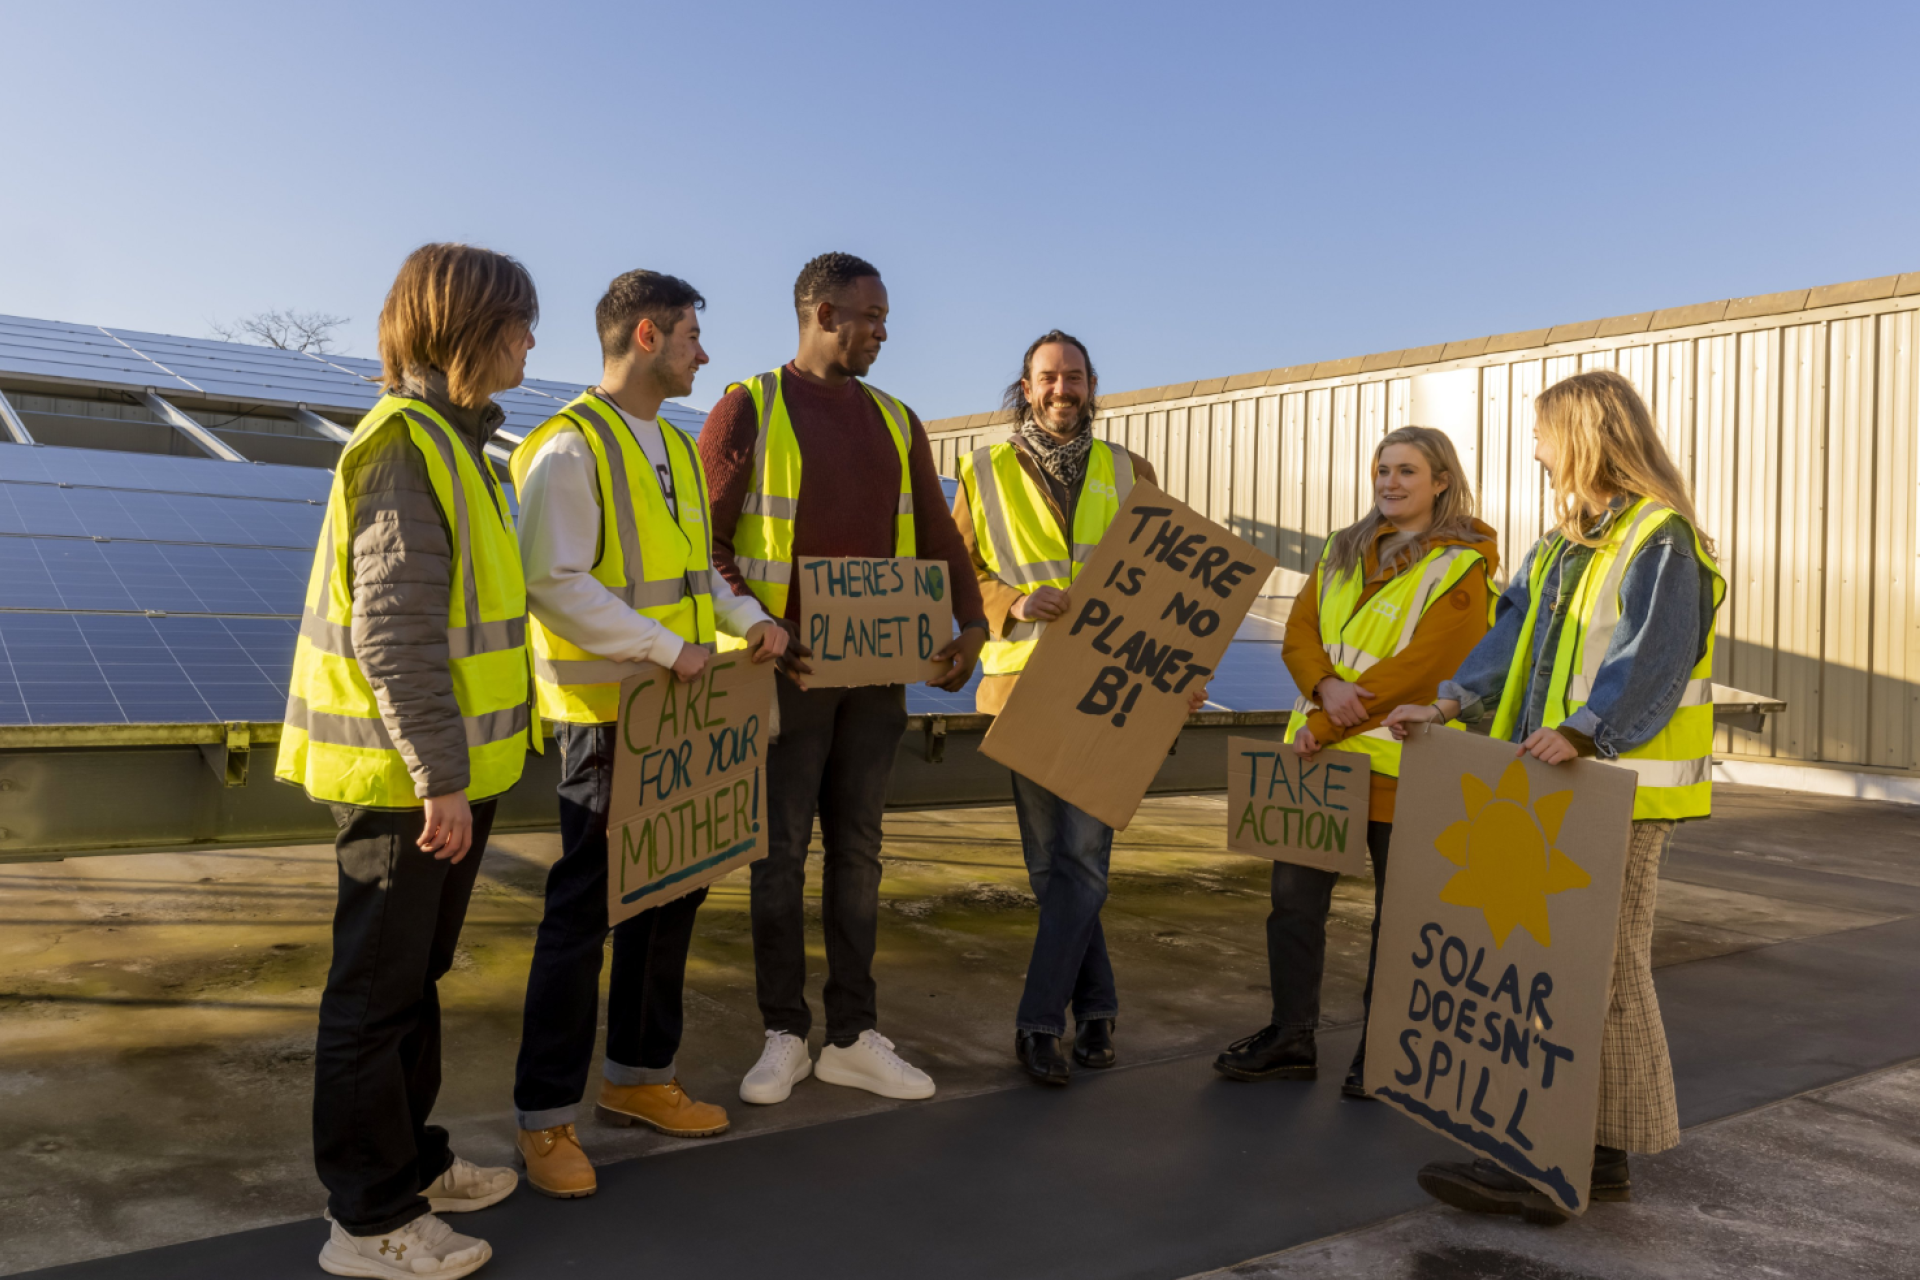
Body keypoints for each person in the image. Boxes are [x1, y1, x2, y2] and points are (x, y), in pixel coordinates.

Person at [1385, 369, 1725, 1223]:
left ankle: (1571, 1157)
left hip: (1621, 790)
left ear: (1581, 435)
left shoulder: (1661, 538)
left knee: (1602, 976)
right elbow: (1512, 634)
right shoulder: (1565, 542)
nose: (1534, 449)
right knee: (1561, 971)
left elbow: (1651, 659)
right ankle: (1580, 1157)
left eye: (1542, 433)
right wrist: (1452, 700)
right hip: (1552, 787)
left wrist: (1584, 731)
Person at [277, 243, 538, 1280]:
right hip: (401, 788)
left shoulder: (455, 444)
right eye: (518, 321)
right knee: (373, 994)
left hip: (437, 780)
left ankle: (411, 1163)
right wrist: (441, 777)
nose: (529, 340)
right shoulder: (403, 446)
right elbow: (395, 632)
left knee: (411, 982)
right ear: (467, 326)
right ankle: (367, 1218)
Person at [506, 271, 788, 1199]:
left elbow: (694, 573)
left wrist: (744, 619)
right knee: (583, 920)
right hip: (604, 722)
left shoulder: (667, 443)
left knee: (672, 895)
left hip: (676, 711)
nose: (704, 354)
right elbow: (555, 582)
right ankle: (545, 1121)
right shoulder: (567, 449)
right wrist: (671, 651)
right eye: (692, 337)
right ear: (644, 334)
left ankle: (637, 1078)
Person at [700, 252, 988, 1105]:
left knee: (859, 852)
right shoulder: (745, 408)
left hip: (875, 679)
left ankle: (854, 1034)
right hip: (782, 674)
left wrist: (969, 625)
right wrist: (761, 623)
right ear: (823, 313)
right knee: (779, 853)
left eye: (885, 316)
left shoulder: (899, 420)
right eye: (871, 316)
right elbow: (704, 550)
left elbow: (940, 537)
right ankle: (784, 1032)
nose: (884, 331)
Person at [954, 331, 1206, 1085]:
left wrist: (1182, 673)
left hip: (1111, 691)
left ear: (1092, 384)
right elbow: (955, 575)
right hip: (1024, 687)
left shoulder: (1133, 471)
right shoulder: (981, 469)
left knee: (1085, 861)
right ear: (1026, 388)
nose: (1061, 389)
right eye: (1047, 378)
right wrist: (1017, 599)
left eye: (1073, 377)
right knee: (1049, 865)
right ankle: (1096, 1010)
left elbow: (1172, 586)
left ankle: (1038, 1025)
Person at [1215, 427, 1497, 1097]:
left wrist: (1327, 716)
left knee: (1399, 918)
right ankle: (1291, 1036)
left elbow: (1430, 664)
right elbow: (1300, 631)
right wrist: (1323, 688)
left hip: (1402, 765)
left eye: (1406, 471)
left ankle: (1383, 1055)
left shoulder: (1462, 564)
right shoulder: (1343, 551)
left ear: (1441, 482)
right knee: (1291, 907)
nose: (1390, 482)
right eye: (1382, 470)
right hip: (1321, 761)